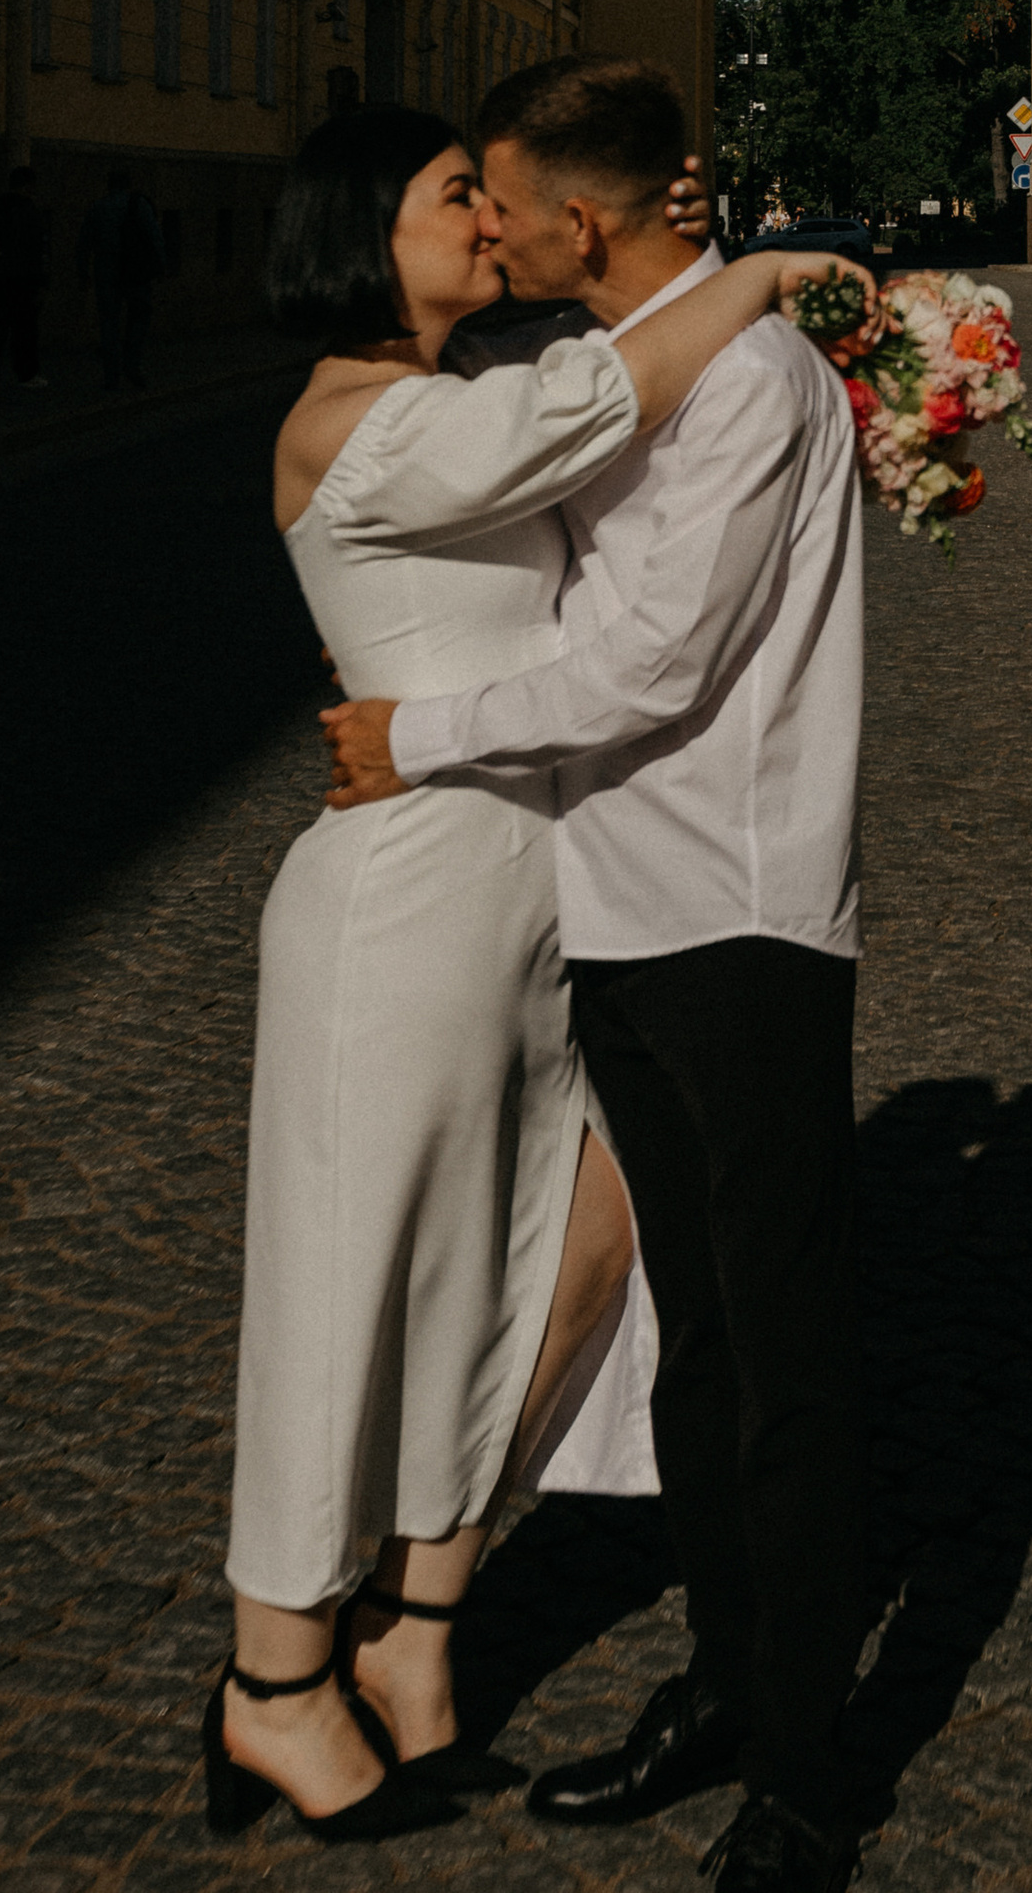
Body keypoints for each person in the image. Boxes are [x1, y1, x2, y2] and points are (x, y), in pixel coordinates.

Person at [211, 103, 857, 1845]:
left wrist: (649, 225)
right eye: (453, 202)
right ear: (367, 229)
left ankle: (417, 1641)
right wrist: (763, 273)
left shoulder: (481, 375)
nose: (488, 228)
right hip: (407, 896)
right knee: (342, 1293)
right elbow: (589, 405)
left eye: (499, 203)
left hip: (541, 895)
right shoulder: (366, 419)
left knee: (496, 1284)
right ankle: (274, 1681)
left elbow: (590, 352)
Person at [75, 170, 162, 389]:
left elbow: (84, 243)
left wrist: (83, 271)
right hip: (136, 273)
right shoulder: (138, 204)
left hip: (106, 274)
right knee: (139, 319)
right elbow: (155, 236)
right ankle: (132, 365)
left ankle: (111, 375)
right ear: (128, 184)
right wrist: (160, 267)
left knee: (108, 324)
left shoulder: (98, 207)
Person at [0, 167, 50, 391]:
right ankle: (26, 375)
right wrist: (41, 281)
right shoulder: (29, 210)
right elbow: (38, 249)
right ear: (29, 185)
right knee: (24, 328)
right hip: (21, 277)